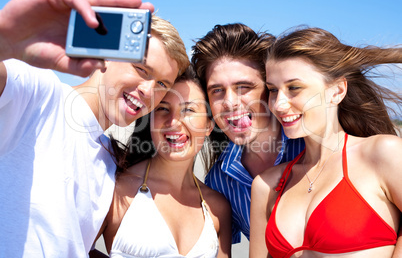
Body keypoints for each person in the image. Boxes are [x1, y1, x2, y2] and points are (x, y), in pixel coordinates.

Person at [0, 0, 189, 257]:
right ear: (107, 55)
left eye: (161, 83)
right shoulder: (39, 95)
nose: (149, 91)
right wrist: (5, 38)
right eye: (140, 68)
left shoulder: (112, 163)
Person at [250, 26, 402, 258]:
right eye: (273, 90)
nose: (278, 104)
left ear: (337, 91)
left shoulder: (382, 154)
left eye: (294, 88)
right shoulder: (266, 185)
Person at [91, 67, 232, 257]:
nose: (173, 121)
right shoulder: (116, 190)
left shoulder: (217, 206)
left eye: (188, 109)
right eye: (163, 108)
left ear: (209, 125)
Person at [191, 23, 305, 244]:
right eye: (217, 90)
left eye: (243, 87)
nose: (230, 103)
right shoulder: (218, 182)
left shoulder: (314, 147)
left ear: (270, 90)